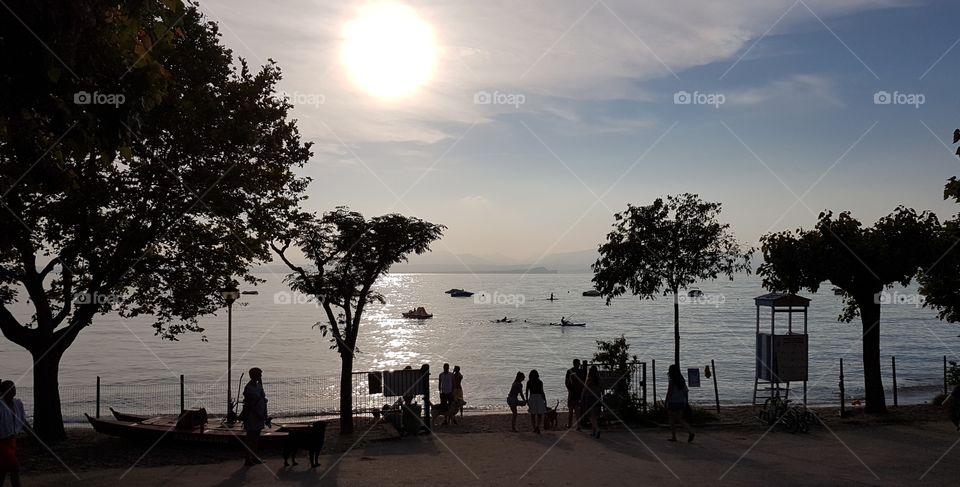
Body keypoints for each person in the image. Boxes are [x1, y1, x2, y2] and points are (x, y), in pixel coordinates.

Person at [0, 381, 26, 487]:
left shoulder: (17, 403)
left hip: (12, 441)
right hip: (1, 443)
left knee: (3, 470)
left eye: (14, 387)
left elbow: (23, 421)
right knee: (15, 468)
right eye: (9, 388)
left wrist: (33, 434)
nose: (13, 390)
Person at [242, 367, 269, 466]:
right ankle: (248, 459)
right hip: (252, 416)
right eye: (259, 374)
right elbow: (249, 404)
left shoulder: (258, 385)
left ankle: (254, 457)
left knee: (256, 437)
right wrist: (258, 414)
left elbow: (263, 398)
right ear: (254, 375)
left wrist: (264, 413)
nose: (261, 376)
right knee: (250, 438)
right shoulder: (249, 388)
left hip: (260, 415)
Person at [666, 364, 694, 443]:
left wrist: (666, 401)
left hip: (673, 401)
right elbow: (686, 391)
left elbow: (669, 392)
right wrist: (686, 401)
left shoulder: (672, 381)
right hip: (681, 401)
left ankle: (674, 436)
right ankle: (690, 431)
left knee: (671, 419)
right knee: (680, 418)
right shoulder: (682, 381)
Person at [582, 366, 603, 438]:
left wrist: (582, 397)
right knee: (595, 416)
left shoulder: (589, 380)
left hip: (590, 398)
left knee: (591, 416)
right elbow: (601, 389)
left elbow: (585, 389)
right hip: (597, 398)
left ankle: (597, 429)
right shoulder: (599, 380)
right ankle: (593, 431)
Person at [525, 369, 546, 434]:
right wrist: (527, 399)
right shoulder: (531, 382)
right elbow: (527, 391)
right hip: (534, 397)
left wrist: (544, 399)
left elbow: (542, 391)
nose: (534, 376)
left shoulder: (538, 382)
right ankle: (535, 427)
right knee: (533, 414)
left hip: (537, 397)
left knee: (538, 414)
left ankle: (537, 427)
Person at [565, 359, 584, 429]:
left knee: (570, 411)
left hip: (571, 394)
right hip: (578, 393)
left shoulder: (569, 371)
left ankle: (570, 424)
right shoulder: (581, 371)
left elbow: (566, 383)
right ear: (578, 364)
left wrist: (569, 390)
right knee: (577, 411)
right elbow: (583, 382)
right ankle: (578, 425)